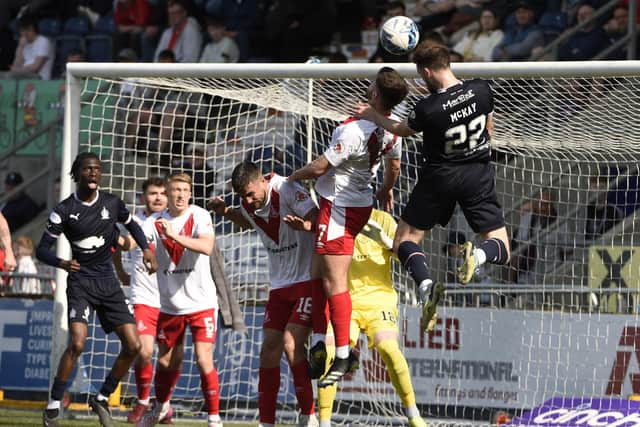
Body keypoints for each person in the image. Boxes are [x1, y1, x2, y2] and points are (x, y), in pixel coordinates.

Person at [355, 43, 511, 332]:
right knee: (501, 245)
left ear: (426, 71)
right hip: (478, 172)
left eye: (420, 75)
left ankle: (426, 285)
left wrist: (372, 114)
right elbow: (489, 130)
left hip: (439, 177)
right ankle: (477, 257)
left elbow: (401, 130)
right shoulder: (482, 89)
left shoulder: (428, 108)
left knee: (405, 241)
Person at [289, 66, 408, 387]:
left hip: (340, 209)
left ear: (374, 95)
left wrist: (291, 178)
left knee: (335, 282)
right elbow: (394, 167)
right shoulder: (393, 130)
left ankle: (343, 352)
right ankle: (317, 338)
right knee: (318, 272)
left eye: (370, 86)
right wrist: (386, 189)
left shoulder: (354, 131)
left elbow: (319, 168)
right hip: (358, 202)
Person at [36, 152, 157, 427]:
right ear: (77, 173)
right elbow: (41, 249)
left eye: (98, 169)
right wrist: (62, 263)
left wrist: (147, 249)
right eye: (88, 169)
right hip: (80, 282)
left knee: (134, 345)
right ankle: (53, 406)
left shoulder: (112, 203)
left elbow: (133, 226)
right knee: (77, 343)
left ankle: (101, 398)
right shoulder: (64, 211)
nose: (93, 173)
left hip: (108, 283)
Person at [209, 161, 319, 427]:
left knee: (292, 345)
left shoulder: (287, 188)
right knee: (269, 349)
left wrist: (305, 226)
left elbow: (317, 216)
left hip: (307, 278)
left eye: (250, 193)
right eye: (242, 197)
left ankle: (309, 415)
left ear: (262, 181)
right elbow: (244, 220)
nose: (248, 200)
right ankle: (266, 422)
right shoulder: (248, 204)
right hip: (279, 286)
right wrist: (225, 211)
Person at [315, 209, 428, 427]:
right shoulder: (334, 218)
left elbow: (402, 255)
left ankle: (413, 414)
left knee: (389, 350)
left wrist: (385, 241)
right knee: (329, 352)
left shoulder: (382, 219)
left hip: (379, 300)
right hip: (345, 301)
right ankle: (324, 422)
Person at [136, 173, 222, 427]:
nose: (181, 194)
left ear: (190, 193)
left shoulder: (199, 215)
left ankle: (214, 418)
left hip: (202, 303)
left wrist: (173, 236)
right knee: (165, 360)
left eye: (185, 189)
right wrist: (146, 256)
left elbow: (206, 247)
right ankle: (161, 408)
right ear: (168, 194)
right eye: (176, 190)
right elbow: (143, 247)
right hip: (171, 305)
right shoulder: (153, 222)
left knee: (203, 357)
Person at [112, 177, 174, 424]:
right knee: (144, 351)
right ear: (142, 197)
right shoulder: (135, 221)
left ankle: (163, 405)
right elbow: (121, 246)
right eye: (152, 193)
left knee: (167, 357)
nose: (158, 197)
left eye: (162, 193)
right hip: (143, 298)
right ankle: (143, 401)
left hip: (170, 299)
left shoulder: (173, 220)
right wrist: (120, 273)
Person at [10, 14, 55, 79]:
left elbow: (36, 67)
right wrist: (20, 47)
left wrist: (18, 70)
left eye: (27, 30)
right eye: (22, 30)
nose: (24, 33)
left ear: (33, 28)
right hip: (23, 77)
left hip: (39, 78)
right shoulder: (23, 43)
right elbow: (16, 65)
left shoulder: (43, 41)